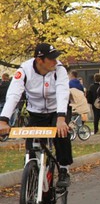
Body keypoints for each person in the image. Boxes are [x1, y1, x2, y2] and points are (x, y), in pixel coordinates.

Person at [0, 43, 72, 187]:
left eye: (56, 58)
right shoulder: (24, 70)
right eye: (51, 59)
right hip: (36, 112)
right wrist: (3, 120)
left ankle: (64, 170)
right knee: (31, 147)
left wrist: (61, 118)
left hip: (57, 110)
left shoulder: (59, 69)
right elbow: (14, 95)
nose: (55, 61)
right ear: (39, 60)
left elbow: (62, 92)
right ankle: (33, 173)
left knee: (61, 134)